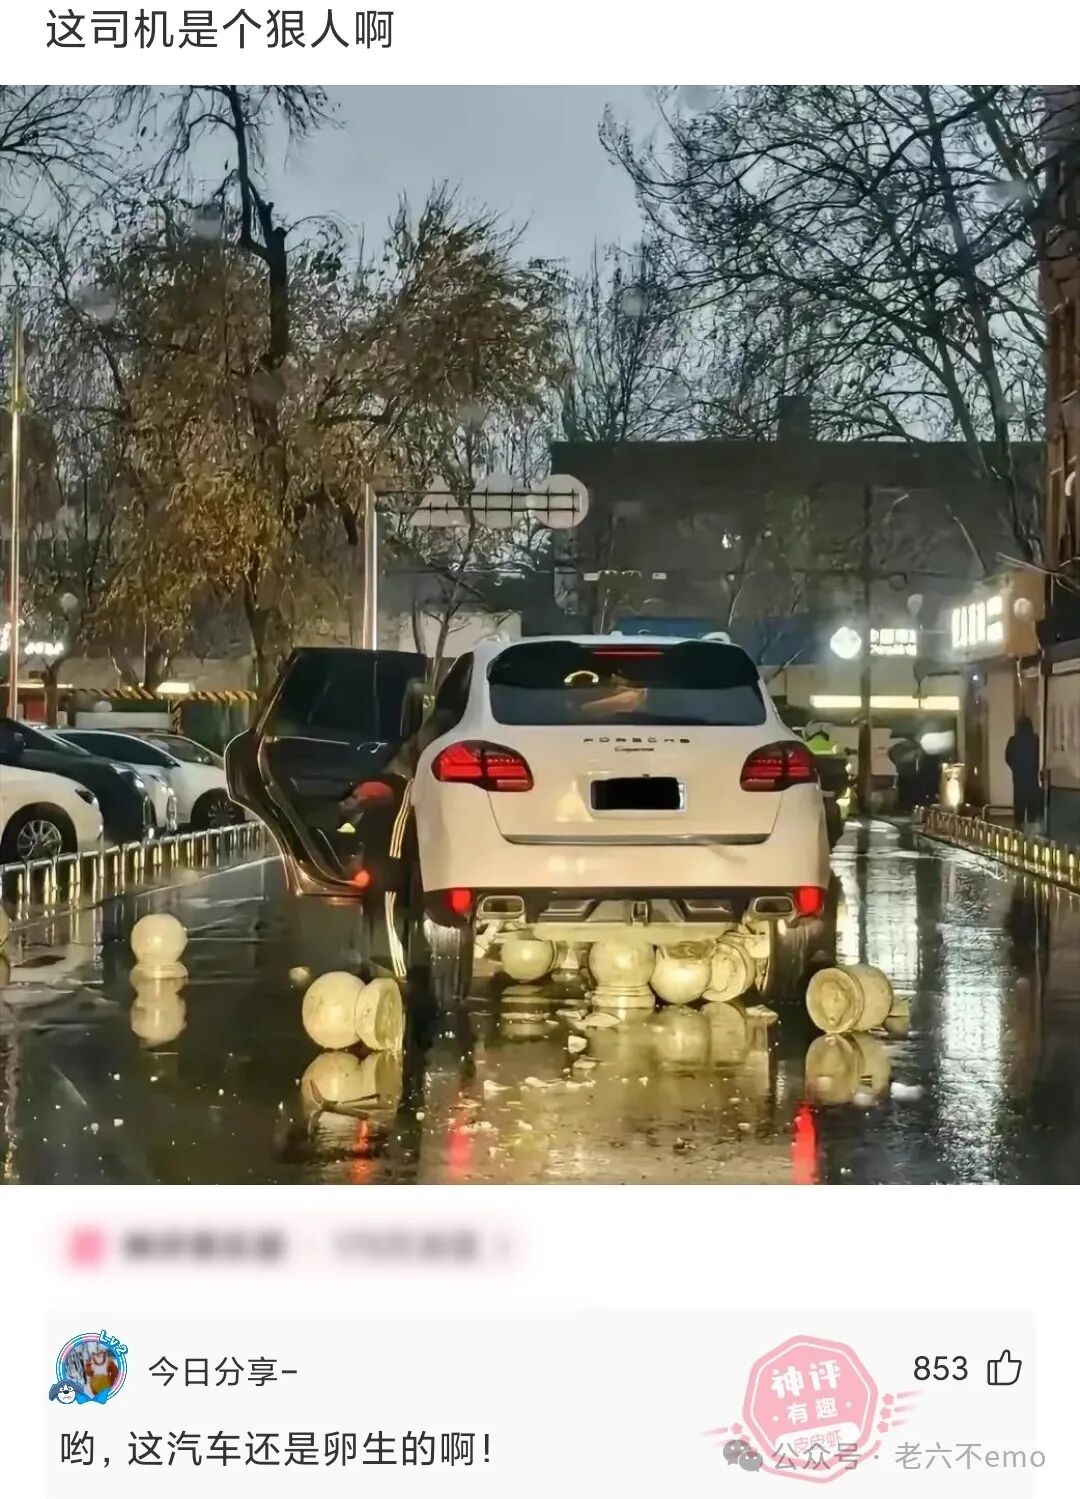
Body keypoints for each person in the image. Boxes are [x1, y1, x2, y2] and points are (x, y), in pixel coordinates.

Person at [1005, 715, 1041, 830]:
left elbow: (1008, 758)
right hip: (1032, 778)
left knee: (1019, 804)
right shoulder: (1035, 740)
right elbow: (1039, 758)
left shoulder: (1013, 741)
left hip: (1019, 778)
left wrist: (1015, 768)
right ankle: (1032, 829)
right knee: (1032, 805)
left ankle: (1018, 830)